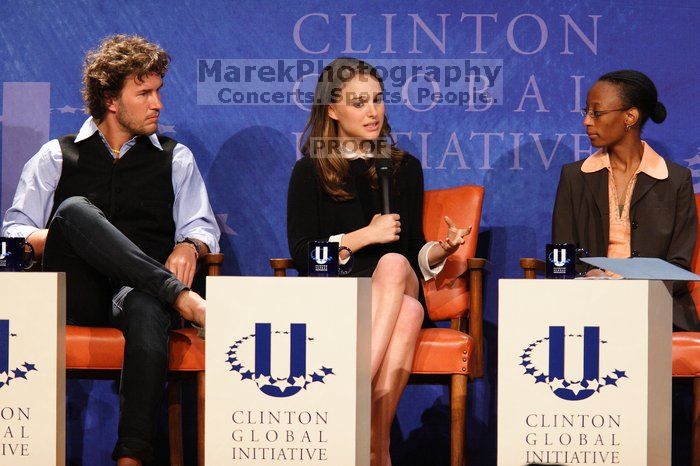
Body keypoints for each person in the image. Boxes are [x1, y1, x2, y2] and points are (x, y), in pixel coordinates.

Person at [1, 35, 220, 465]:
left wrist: (191, 246)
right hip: (77, 294)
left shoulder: (176, 159)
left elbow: (201, 227)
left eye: (158, 91)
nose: (158, 103)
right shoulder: (56, 156)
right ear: (110, 99)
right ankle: (184, 299)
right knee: (73, 210)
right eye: (144, 93)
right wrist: (65, 235)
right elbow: (13, 234)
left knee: (147, 306)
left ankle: (131, 458)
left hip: (138, 296)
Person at [286, 57, 470, 466]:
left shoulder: (402, 167)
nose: (372, 112)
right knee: (406, 312)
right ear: (332, 109)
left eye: (378, 100)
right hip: (342, 295)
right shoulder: (309, 171)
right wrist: (363, 235)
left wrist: (443, 249)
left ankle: (350, 386)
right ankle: (376, 448)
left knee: (390, 264)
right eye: (359, 102)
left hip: (394, 277)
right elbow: (303, 255)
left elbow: (412, 252)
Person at [552, 69, 698, 330]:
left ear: (630, 116)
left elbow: (678, 264)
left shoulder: (675, 180)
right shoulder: (574, 176)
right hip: (588, 306)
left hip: (657, 310)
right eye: (585, 112)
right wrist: (587, 275)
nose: (586, 121)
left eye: (596, 113)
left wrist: (631, 292)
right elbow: (561, 259)